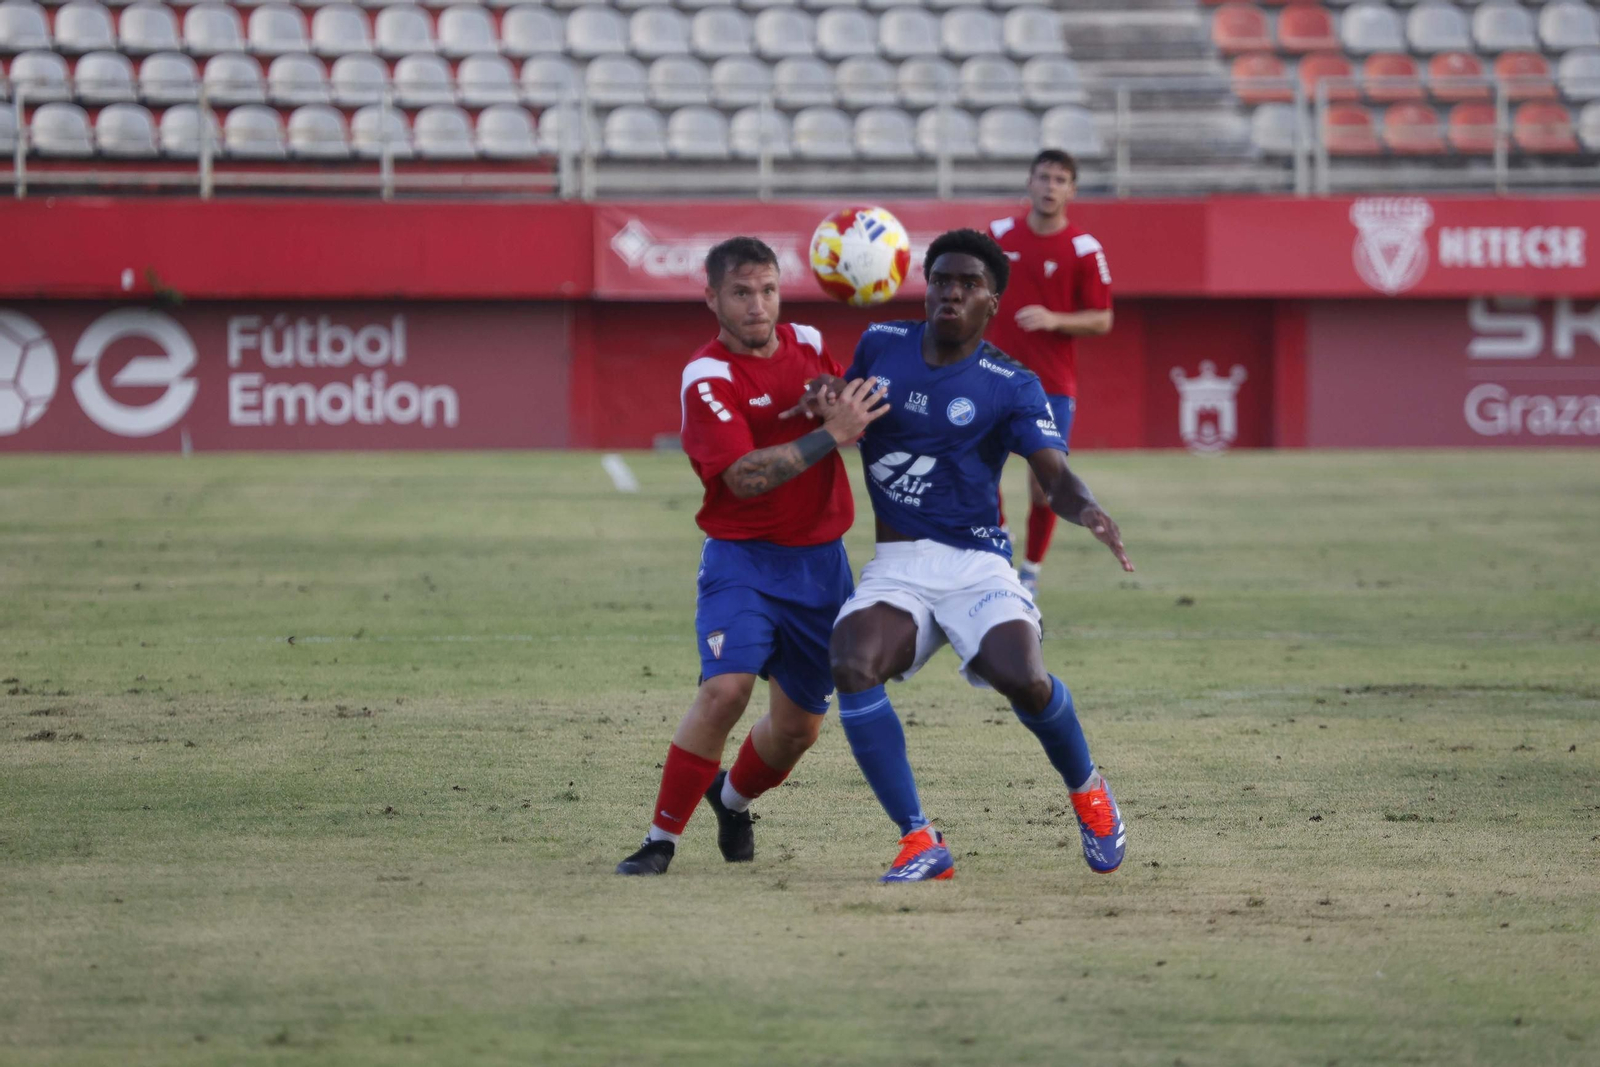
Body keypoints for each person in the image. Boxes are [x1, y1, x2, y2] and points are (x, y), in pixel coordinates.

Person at [825, 228, 1134, 883]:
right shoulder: (880, 346)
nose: (952, 292)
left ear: (993, 301)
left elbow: (1054, 475)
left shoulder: (1012, 383)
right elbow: (841, 409)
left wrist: (1089, 510)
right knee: (851, 660)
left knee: (1023, 675)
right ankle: (919, 841)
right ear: (926, 284)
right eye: (942, 279)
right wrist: (824, 402)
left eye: (969, 284)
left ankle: (1088, 790)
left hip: (977, 565)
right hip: (899, 564)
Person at [615, 237, 888, 876]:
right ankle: (661, 840)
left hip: (821, 567)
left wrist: (835, 400)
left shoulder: (811, 342)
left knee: (797, 731)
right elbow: (743, 477)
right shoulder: (707, 376)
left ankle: (730, 799)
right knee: (727, 691)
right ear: (711, 297)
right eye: (741, 292)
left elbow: (849, 409)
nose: (757, 304)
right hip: (743, 560)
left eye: (767, 289)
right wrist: (831, 431)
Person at [985, 149, 1114, 597]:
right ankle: (999, 543)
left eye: (1061, 179)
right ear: (1030, 182)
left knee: (1045, 486)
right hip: (991, 377)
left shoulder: (1084, 249)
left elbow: (1102, 319)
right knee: (979, 473)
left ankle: (1031, 571)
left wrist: (1055, 319)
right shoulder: (998, 235)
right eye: (1044, 177)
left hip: (1050, 386)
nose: (1051, 186)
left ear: (1071, 189)